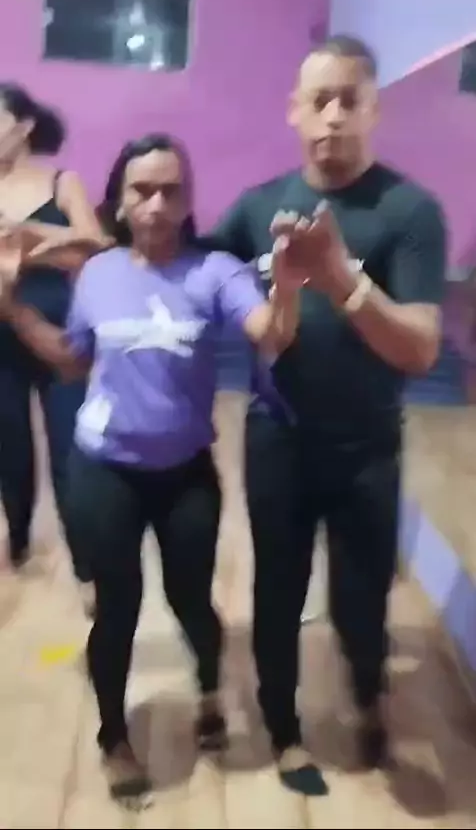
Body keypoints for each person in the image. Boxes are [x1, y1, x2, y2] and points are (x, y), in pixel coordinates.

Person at [0, 133, 307, 806]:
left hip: (185, 472)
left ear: (190, 200)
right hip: (104, 470)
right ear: (118, 200)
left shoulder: (215, 272)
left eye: (172, 191)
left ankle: (209, 687)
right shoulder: (97, 274)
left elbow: (273, 333)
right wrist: (12, 308)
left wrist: (285, 287)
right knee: (117, 607)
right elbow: (73, 359)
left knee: (192, 600)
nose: (158, 204)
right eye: (143, 190)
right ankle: (114, 737)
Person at [207, 35, 446, 794]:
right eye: (320, 100)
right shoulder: (254, 210)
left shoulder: (410, 211)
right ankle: (282, 728)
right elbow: (194, 278)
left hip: (368, 445)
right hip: (277, 439)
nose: (334, 116)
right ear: (295, 111)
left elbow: (421, 350)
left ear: (375, 110)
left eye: (351, 100)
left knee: (361, 600)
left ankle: (369, 693)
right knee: (276, 592)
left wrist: (341, 279)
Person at [0, 83, 107, 598]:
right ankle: (18, 539)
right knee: (9, 448)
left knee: (70, 449)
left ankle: (87, 568)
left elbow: (94, 247)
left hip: (60, 332)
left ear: (23, 126)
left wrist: (27, 240)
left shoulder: (63, 182)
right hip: (1, 329)